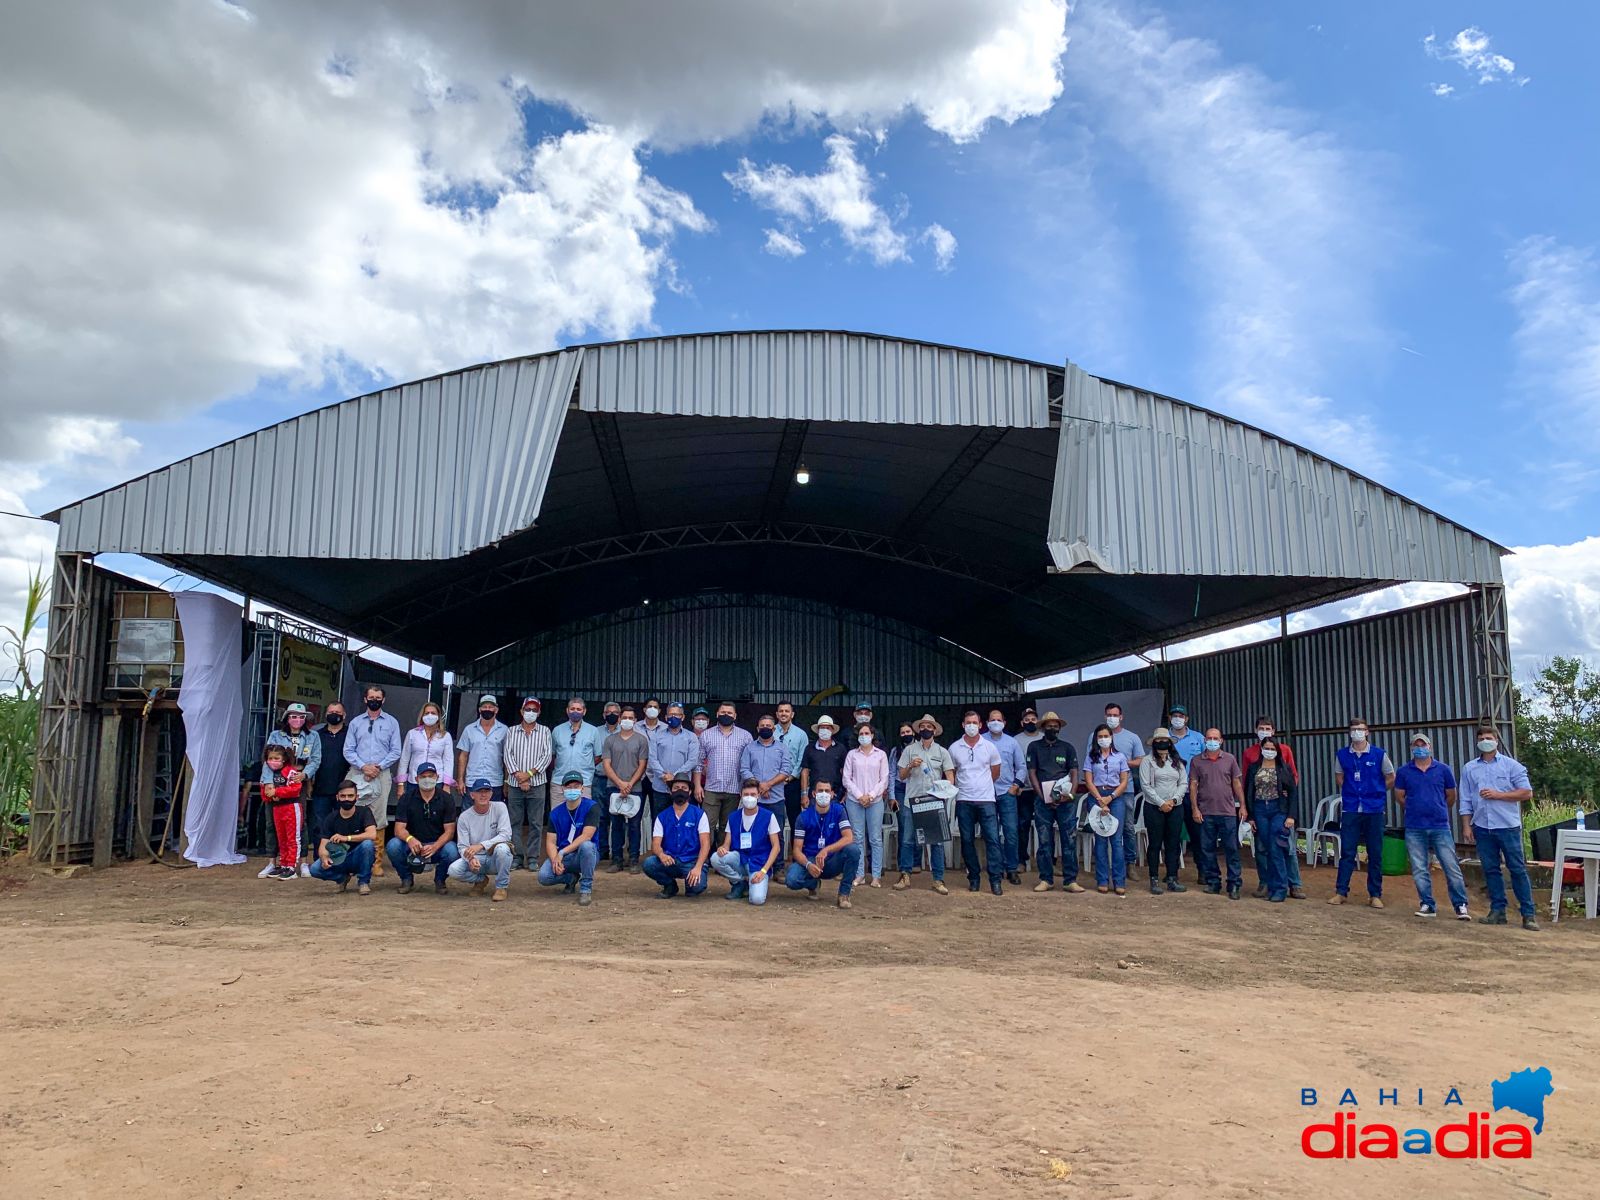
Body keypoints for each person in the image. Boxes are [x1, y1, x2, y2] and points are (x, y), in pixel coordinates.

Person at [1459, 726, 1538, 930]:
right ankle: (1497, 911)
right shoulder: (1469, 768)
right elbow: (1466, 799)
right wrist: (1467, 826)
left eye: (1489, 738)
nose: (1485, 741)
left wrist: (1499, 795)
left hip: (1507, 826)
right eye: (1482, 738)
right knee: (1491, 870)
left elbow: (1526, 793)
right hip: (1482, 827)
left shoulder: (1512, 766)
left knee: (1517, 869)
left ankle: (1528, 914)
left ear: (1496, 741)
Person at [1394, 733, 1470, 920]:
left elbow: (1451, 795)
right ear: (1411, 748)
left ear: (1430, 747)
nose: (1420, 747)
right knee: (1420, 868)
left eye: (1423, 744)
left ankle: (1460, 904)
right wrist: (1414, 808)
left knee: (1451, 866)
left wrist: (1439, 808)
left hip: (1439, 826)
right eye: (1416, 745)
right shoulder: (1404, 772)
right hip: (1414, 826)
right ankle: (1427, 903)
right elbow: (1399, 796)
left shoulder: (1443, 770)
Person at [1330, 718, 1395, 909]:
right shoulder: (1342, 755)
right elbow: (1339, 777)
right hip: (1351, 809)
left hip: (1373, 809)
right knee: (1347, 851)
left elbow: (1391, 777)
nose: (1357, 732)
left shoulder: (1379, 754)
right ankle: (1341, 892)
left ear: (1367, 732)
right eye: (1353, 729)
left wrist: (1378, 791)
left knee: (1375, 852)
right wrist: (1351, 791)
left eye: (1360, 729)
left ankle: (1375, 894)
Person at [1241, 714, 1307, 898]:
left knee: (1284, 846)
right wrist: (1249, 812)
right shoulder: (1249, 754)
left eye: (1267, 728)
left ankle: (1294, 884)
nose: (1264, 731)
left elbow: (1292, 775)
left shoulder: (1284, 751)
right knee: (1262, 847)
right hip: (1260, 807)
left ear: (1274, 731)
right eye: (1261, 728)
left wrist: (1285, 793)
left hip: (1279, 806)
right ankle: (1266, 882)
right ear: (1256, 731)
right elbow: (1248, 784)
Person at [343, 686, 402, 875]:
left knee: (379, 816)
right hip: (357, 772)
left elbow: (396, 751)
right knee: (351, 813)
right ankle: (351, 859)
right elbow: (348, 750)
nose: (374, 700)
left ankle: (376, 862)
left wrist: (377, 768)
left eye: (378, 697)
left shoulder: (392, 722)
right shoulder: (355, 723)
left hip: (381, 773)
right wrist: (363, 767)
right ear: (365, 699)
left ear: (383, 700)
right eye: (371, 697)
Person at [258, 703, 320, 878]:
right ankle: (273, 862)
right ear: (287, 718)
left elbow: (315, 759)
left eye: (301, 717)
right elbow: (267, 760)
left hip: (297, 780)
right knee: (272, 823)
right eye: (293, 716)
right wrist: (269, 784)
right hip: (276, 780)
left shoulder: (313, 736)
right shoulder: (276, 735)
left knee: (300, 823)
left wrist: (304, 775)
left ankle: (302, 862)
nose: (297, 720)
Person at [894, 715, 952, 894]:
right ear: (919, 730)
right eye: (923, 726)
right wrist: (911, 765)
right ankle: (905, 875)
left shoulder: (942, 752)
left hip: (933, 801)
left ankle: (938, 879)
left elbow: (950, 776)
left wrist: (945, 788)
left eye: (929, 726)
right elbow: (901, 776)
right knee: (907, 840)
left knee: (937, 842)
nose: (926, 729)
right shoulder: (910, 750)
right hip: (912, 801)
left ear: (934, 730)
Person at [1026, 711, 1083, 894]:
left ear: (1059, 727)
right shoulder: (1034, 747)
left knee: (1069, 840)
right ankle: (1046, 879)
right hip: (1042, 800)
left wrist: (1071, 795)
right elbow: (1032, 772)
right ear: (1043, 727)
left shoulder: (1067, 748)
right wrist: (1042, 795)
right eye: (1049, 725)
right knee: (1044, 841)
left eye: (1055, 725)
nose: (1052, 728)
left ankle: (1070, 880)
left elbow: (1074, 772)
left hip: (1066, 801)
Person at [950, 710, 1004, 895]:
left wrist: (983, 786)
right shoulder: (954, 748)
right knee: (967, 840)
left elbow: (995, 772)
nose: (971, 725)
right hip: (964, 799)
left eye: (974, 722)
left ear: (981, 725)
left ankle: (995, 880)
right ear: (963, 725)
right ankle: (973, 877)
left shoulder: (989, 747)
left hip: (986, 800)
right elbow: (953, 772)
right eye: (968, 722)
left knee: (993, 840)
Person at [386, 762, 460, 894]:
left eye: (431, 776)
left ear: (437, 777)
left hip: (437, 844)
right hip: (413, 844)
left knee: (452, 851)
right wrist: (410, 839)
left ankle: (440, 880)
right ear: (416, 779)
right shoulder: (406, 798)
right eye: (423, 776)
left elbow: (450, 831)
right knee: (393, 846)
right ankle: (406, 879)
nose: (427, 779)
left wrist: (435, 846)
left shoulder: (446, 798)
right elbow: (399, 829)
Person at [785, 781, 861, 907]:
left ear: (832, 794)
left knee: (853, 850)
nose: (823, 794)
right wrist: (808, 865)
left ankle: (844, 894)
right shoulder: (803, 817)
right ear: (814, 794)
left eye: (827, 791)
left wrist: (826, 850)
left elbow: (849, 838)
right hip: (811, 860)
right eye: (820, 791)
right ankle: (813, 884)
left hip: (832, 860)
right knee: (791, 880)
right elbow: (796, 850)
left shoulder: (839, 811)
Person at [1189, 729, 1245, 899]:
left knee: (1231, 849)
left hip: (1227, 812)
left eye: (1215, 738)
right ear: (1204, 740)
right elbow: (1193, 786)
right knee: (1207, 849)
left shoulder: (1229, 759)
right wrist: (1194, 808)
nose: (1212, 741)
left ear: (1221, 741)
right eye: (1209, 738)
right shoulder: (1197, 761)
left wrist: (1242, 805)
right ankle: (1213, 882)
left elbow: (1236, 783)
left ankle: (1234, 883)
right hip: (1206, 812)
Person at [711, 779, 782, 903]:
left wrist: (763, 871)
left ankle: (754, 882)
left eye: (753, 795)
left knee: (757, 899)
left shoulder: (769, 816)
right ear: (741, 795)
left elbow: (776, 847)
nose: (749, 798)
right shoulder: (733, 817)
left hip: (759, 864)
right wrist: (722, 849)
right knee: (715, 858)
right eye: (746, 795)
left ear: (758, 795)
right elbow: (726, 844)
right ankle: (739, 882)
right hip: (740, 858)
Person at [641, 777, 712, 898]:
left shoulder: (699, 814)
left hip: (692, 861)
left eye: (684, 788)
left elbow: (705, 844)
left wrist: (698, 867)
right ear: (670, 792)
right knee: (649, 864)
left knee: (697, 888)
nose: (680, 791)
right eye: (676, 788)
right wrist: (662, 855)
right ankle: (670, 885)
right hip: (670, 860)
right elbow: (656, 844)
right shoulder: (662, 816)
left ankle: (690, 884)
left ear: (690, 792)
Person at [1097, 702, 1145, 880]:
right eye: (1109, 714)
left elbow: (1141, 760)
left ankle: (1130, 863)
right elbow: (1090, 759)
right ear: (1105, 716)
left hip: (1126, 789)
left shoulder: (1132, 737)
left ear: (1121, 717)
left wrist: (1123, 764)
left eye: (1115, 715)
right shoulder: (1096, 736)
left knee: (1127, 827)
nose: (1112, 718)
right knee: (1102, 827)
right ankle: (1104, 868)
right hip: (1102, 792)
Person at [503, 697, 552, 871]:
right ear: (521, 711)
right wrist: (519, 776)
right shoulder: (511, 731)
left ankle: (532, 858)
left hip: (537, 783)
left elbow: (546, 756)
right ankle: (516, 856)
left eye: (534, 710)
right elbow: (507, 755)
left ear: (539, 713)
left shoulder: (545, 731)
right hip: (516, 784)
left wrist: (529, 774)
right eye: (528, 709)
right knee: (514, 823)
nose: (530, 713)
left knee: (536, 823)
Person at [446, 779, 515, 901]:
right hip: (477, 859)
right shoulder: (464, 817)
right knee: (453, 870)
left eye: (486, 791)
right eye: (479, 792)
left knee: (503, 848)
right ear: (472, 795)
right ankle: (481, 880)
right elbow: (462, 846)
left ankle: (501, 887)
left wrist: (481, 845)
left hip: (495, 857)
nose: (483, 795)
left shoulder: (500, 807)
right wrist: (470, 858)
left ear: (491, 794)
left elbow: (505, 835)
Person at [1138, 729, 1188, 895]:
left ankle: (1172, 877)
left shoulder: (1177, 761)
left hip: (1175, 806)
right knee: (1155, 844)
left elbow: (1183, 783)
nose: (1161, 743)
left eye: (1164, 740)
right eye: (1158, 740)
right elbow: (1145, 785)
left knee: (1173, 843)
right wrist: (1161, 802)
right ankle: (1154, 879)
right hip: (1154, 807)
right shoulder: (1147, 761)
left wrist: (1173, 800)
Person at [539, 770, 600, 906]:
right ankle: (570, 878)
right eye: (568, 786)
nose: (572, 789)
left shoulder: (592, 807)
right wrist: (555, 859)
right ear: (562, 789)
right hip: (564, 857)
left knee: (587, 846)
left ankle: (586, 888)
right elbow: (550, 841)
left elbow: (587, 836)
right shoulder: (555, 813)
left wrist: (562, 852)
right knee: (544, 876)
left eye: (576, 786)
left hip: (585, 854)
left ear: (582, 788)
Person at [601, 705, 650, 873]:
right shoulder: (610, 740)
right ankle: (617, 859)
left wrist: (630, 783)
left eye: (631, 718)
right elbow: (606, 765)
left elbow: (643, 764)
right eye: (625, 717)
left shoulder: (641, 740)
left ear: (635, 721)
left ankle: (634, 859)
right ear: (620, 719)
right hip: (613, 788)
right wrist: (620, 783)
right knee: (617, 824)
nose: (627, 720)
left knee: (635, 825)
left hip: (635, 789)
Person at [1083, 723, 1131, 895]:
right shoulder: (1090, 757)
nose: (1104, 739)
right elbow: (1088, 780)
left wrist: (1110, 798)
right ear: (1096, 739)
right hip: (1096, 795)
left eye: (1106, 736)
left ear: (1111, 737)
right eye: (1100, 736)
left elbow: (1124, 781)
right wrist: (1100, 800)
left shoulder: (1120, 756)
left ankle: (1119, 881)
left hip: (1116, 797)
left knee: (1116, 841)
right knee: (1100, 839)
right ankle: (1102, 880)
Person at [698, 701, 752, 848]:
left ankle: (721, 857)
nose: (725, 715)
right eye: (723, 712)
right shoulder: (706, 735)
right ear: (717, 714)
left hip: (734, 789)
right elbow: (699, 763)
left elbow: (749, 764)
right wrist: (697, 786)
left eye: (729, 713)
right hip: (711, 788)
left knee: (726, 826)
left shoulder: (745, 736)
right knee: (707, 825)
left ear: (735, 716)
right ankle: (706, 857)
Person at [309, 779, 378, 894]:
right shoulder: (331, 818)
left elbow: (372, 834)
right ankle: (341, 878)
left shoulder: (364, 812)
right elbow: (323, 845)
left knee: (367, 845)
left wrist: (347, 838)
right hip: (338, 858)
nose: (346, 799)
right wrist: (324, 858)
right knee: (315, 869)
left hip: (359, 856)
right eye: (343, 796)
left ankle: (363, 882)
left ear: (357, 797)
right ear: (337, 797)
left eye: (350, 796)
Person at [843, 721, 890, 888]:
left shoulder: (881, 755)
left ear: (872, 736)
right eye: (861, 734)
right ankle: (859, 874)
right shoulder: (851, 755)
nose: (864, 736)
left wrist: (870, 796)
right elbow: (846, 778)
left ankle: (876, 875)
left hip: (875, 801)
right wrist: (859, 795)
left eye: (867, 733)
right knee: (857, 838)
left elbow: (884, 779)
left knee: (875, 838)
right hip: (854, 801)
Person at [985, 709, 1028, 886]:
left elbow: (1022, 766)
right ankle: (996, 868)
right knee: (992, 834)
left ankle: (1011, 869)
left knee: (1011, 832)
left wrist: (1016, 785)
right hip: (986, 794)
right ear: (987, 722)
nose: (995, 722)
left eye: (999, 719)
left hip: (1007, 793)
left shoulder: (1012, 743)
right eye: (992, 719)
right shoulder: (981, 741)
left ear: (1004, 722)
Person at [1167, 704, 1207, 881]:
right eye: (1174, 715)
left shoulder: (1198, 738)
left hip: (1194, 793)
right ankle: (1172, 873)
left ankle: (1203, 871)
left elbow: (1207, 762)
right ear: (1170, 718)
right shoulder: (1164, 737)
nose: (1178, 718)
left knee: (1198, 834)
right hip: (1171, 792)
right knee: (1172, 834)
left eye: (1181, 716)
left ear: (1186, 719)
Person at [307, 703, 349, 873]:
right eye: (331, 712)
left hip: (344, 789)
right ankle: (319, 859)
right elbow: (311, 760)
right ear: (326, 714)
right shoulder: (317, 735)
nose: (334, 715)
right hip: (321, 788)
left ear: (344, 715)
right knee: (320, 825)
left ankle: (342, 860)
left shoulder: (350, 734)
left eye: (338, 712)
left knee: (342, 826)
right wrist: (309, 783)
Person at [739, 713, 792, 844]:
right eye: (762, 726)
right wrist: (760, 786)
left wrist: (768, 785)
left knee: (777, 834)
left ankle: (778, 864)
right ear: (757, 729)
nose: (765, 728)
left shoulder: (782, 748)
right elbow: (744, 769)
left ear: (774, 729)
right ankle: (757, 862)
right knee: (756, 833)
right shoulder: (749, 748)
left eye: (768, 726)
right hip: (755, 800)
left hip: (776, 799)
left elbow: (786, 770)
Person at [648, 702, 703, 821]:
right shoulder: (656, 736)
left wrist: (676, 777)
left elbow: (692, 760)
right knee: (659, 821)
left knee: (682, 821)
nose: (673, 717)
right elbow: (652, 759)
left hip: (681, 788)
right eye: (671, 714)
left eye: (677, 715)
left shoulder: (691, 737)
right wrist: (664, 775)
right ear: (666, 717)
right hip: (660, 787)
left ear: (683, 717)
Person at [259, 744, 306, 880]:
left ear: (283, 759)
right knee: (282, 838)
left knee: (293, 838)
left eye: (276, 758)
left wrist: (278, 792)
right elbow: (264, 790)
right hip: (276, 808)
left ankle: (291, 866)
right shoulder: (268, 774)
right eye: (270, 758)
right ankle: (283, 864)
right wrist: (269, 795)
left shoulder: (290, 771)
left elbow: (295, 789)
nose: (273, 761)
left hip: (291, 807)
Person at [552, 698, 606, 807]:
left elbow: (599, 756)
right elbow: (552, 755)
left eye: (578, 709)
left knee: (583, 818)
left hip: (584, 783)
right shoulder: (557, 730)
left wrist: (587, 765)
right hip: (559, 782)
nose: (575, 711)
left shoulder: (593, 731)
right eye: (572, 709)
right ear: (567, 710)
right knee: (558, 818)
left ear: (584, 711)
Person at [398, 700, 456, 802]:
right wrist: (400, 784)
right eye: (427, 713)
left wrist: (447, 785)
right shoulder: (412, 734)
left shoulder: (445, 736)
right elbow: (404, 759)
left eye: (433, 713)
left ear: (438, 716)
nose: (430, 715)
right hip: (415, 780)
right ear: (422, 716)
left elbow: (448, 761)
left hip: (437, 781)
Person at [455, 694, 507, 802]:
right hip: (472, 781)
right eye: (484, 706)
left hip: (495, 782)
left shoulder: (505, 730)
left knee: (493, 816)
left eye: (490, 707)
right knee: (470, 815)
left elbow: (507, 759)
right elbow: (463, 756)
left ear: (496, 710)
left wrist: (507, 782)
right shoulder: (469, 729)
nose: (487, 709)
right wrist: (460, 780)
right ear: (479, 709)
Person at [1012, 707, 1043, 873]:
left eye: (1033, 719)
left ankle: (1047, 861)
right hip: (1023, 790)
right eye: (1027, 719)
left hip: (1042, 790)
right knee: (1022, 825)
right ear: (1022, 722)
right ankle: (1021, 860)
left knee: (1044, 825)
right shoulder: (1015, 740)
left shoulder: (1045, 738)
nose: (1030, 722)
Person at [774, 701, 810, 842]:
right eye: (781, 711)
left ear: (792, 714)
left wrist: (790, 777)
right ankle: (776, 858)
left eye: (787, 711)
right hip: (773, 784)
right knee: (775, 821)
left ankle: (797, 857)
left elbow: (802, 759)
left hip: (792, 783)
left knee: (795, 819)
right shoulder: (770, 731)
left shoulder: (801, 735)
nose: (783, 713)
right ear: (777, 714)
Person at [800, 714, 848, 819]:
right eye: (822, 727)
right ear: (817, 730)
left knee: (834, 825)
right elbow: (805, 772)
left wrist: (846, 792)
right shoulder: (809, 748)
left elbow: (845, 771)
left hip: (836, 794)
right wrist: (804, 794)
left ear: (832, 730)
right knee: (814, 825)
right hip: (814, 794)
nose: (825, 730)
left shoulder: (840, 748)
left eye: (827, 728)